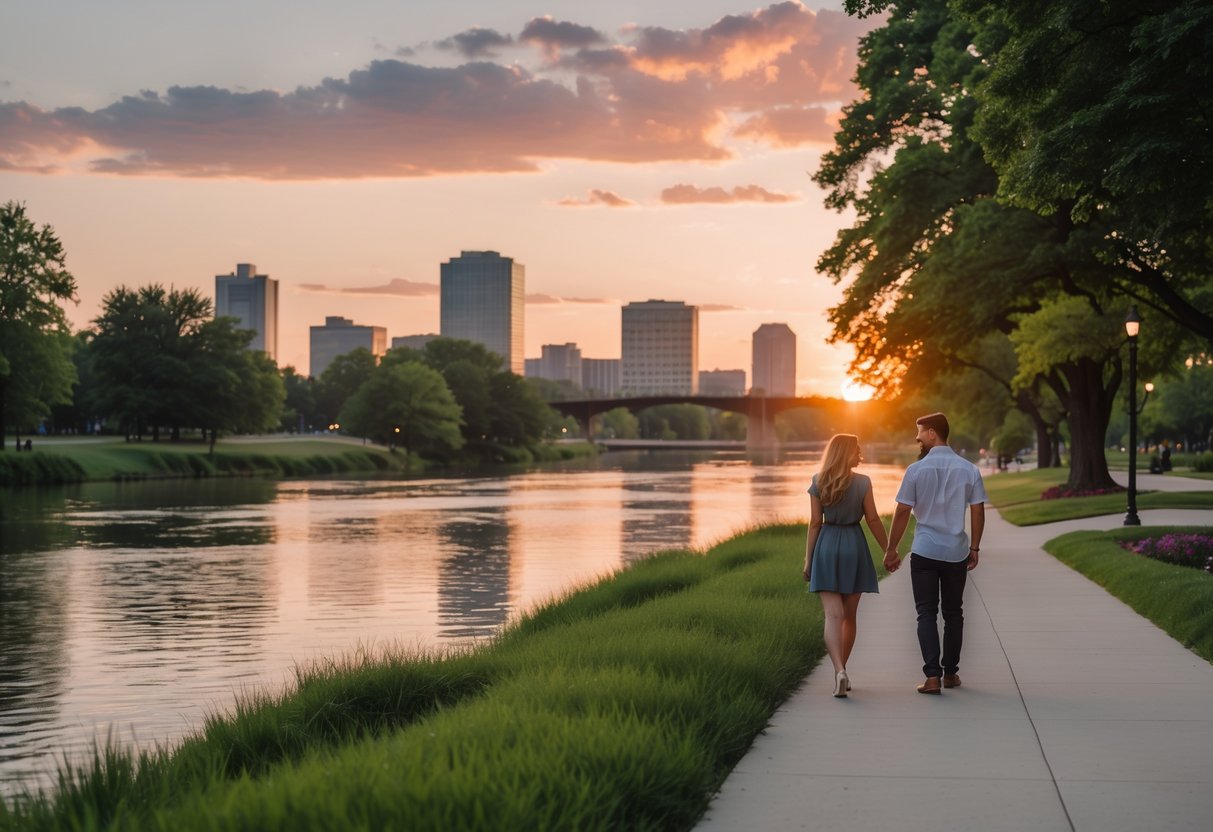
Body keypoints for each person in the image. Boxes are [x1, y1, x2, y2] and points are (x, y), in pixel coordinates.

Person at [884, 412, 987, 694]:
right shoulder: (969, 469)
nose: (917, 438)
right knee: (954, 613)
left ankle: (932, 677)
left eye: (920, 432)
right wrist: (974, 547)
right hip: (956, 551)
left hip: (925, 551)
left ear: (932, 433)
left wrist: (892, 549)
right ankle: (951, 674)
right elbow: (977, 510)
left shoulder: (915, 471)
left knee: (925, 613)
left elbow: (903, 510)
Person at [803, 433, 890, 698]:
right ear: (847, 453)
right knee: (849, 617)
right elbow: (873, 519)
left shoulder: (819, 481)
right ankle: (843, 671)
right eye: (857, 449)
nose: (860, 452)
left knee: (832, 616)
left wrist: (809, 559)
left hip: (827, 546)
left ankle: (839, 670)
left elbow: (815, 523)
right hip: (854, 544)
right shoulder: (863, 482)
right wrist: (889, 549)